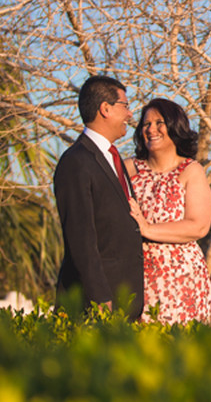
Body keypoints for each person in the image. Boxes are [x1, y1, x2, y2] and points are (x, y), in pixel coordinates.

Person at [53, 75, 145, 319]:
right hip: (96, 305)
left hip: (126, 301)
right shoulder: (76, 161)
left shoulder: (115, 160)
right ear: (105, 108)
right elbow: (81, 238)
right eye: (125, 106)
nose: (129, 114)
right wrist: (100, 298)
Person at [125, 97, 211, 324]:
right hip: (135, 276)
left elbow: (199, 226)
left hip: (180, 278)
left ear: (174, 126)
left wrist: (147, 229)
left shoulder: (191, 170)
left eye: (159, 123)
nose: (151, 129)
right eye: (146, 124)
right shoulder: (128, 168)